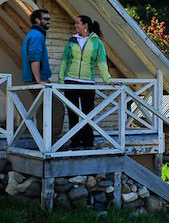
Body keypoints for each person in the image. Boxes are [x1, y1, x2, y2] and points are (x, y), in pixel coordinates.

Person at [59, 15, 112, 149]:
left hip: (87, 82)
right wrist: (61, 81)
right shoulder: (71, 41)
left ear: (85, 25)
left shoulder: (97, 43)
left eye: (77, 23)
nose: (75, 26)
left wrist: (108, 80)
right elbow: (64, 61)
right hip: (70, 81)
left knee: (88, 114)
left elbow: (101, 63)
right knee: (72, 114)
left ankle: (88, 142)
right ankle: (75, 142)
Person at [20, 9, 64, 138]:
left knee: (42, 108)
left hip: (34, 78)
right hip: (37, 79)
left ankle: (42, 137)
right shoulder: (36, 36)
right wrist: (39, 80)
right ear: (37, 21)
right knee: (57, 107)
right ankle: (52, 139)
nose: (49, 21)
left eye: (49, 19)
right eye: (46, 19)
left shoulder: (35, 34)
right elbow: (34, 58)